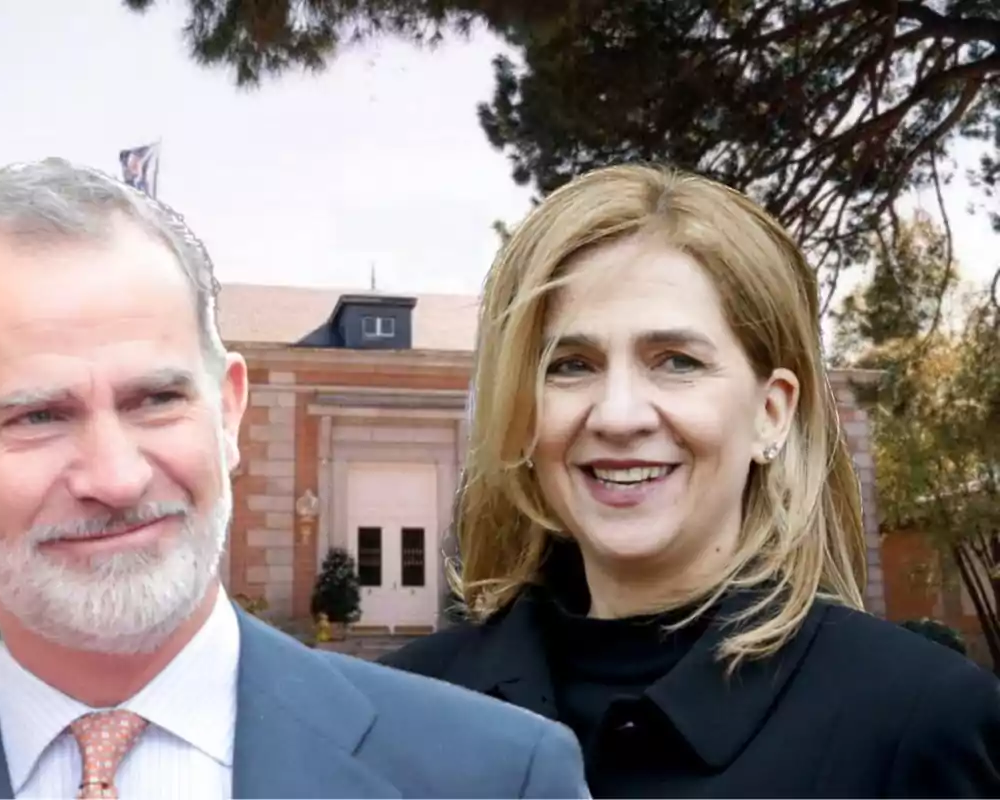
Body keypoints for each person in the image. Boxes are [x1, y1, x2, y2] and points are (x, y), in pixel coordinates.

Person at [0, 159, 588, 800]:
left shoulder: (498, 776)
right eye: (38, 416)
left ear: (230, 415)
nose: (114, 477)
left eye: (156, 399)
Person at [380, 164, 1000, 797]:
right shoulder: (405, 710)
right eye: (570, 365)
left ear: (771, 412)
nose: (618, 415)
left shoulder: (917, 721)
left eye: (677, 362)